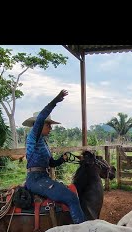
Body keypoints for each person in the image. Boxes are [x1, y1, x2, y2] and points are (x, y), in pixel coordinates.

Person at [22, 89, 86, 224]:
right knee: (72, 198)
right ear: (37, 126)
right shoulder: (33, 136)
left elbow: (51, 164)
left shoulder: (43, 143)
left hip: (42, 178)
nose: (50, 128)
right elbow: (41, 118)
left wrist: (62, 159)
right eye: (48, 124)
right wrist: (56, 100)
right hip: (35, 180)